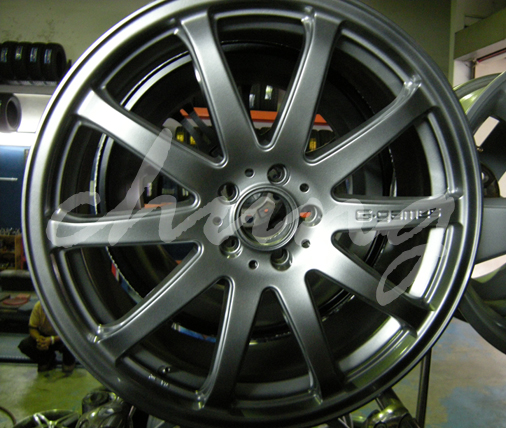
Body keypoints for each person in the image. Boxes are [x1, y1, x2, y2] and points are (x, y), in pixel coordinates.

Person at [18, 301, 76, 374]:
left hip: (64, 337)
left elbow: (72, 333)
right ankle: (47, 360)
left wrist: (52, 340)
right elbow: (32, 328)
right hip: (45, 335)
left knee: (67, 369)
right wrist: (39, 339)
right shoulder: (39, 306)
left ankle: (69, 361)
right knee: (25, 345)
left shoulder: (67, 307)